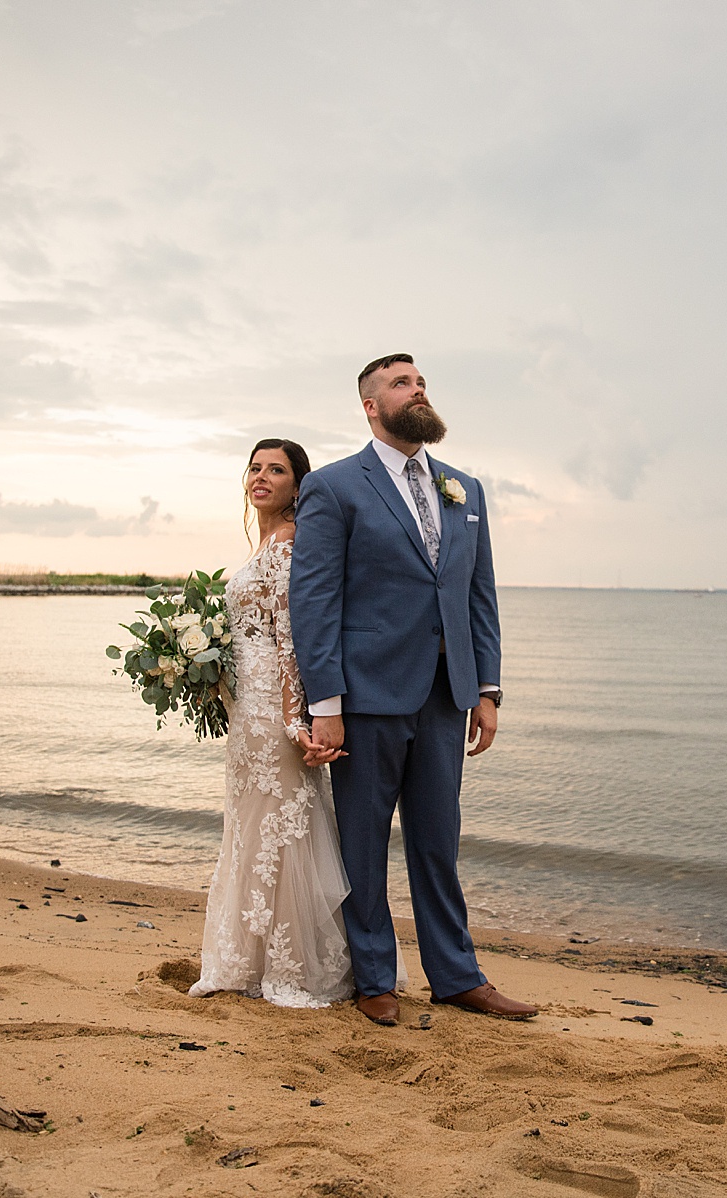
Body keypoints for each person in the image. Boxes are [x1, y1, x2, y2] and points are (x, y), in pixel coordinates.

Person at [290, 354, 537, 1026]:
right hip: (366, 698)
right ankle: (373, 977)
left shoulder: (466, 489)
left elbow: (476, 596)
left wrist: (487, 690)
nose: (418, 389)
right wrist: (327, 706)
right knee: (364, 844)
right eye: (402, 383)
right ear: (371, 406)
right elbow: (314, 601)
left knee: (437, 841)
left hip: (443, 696)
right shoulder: (336, 488)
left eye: (421, 381)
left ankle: (457, 977)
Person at [189, 439, 354, 1007]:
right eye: (255, 468)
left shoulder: (287, 544)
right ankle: (248, 961)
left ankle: (292, 966)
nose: (261, 477)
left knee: (282, 832)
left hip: (270, 712)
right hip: (245, 709)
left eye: (276, 470)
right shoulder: (263, 541)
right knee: (252, 829)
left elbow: (292, 640)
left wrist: (294, 720)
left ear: (297, 486)